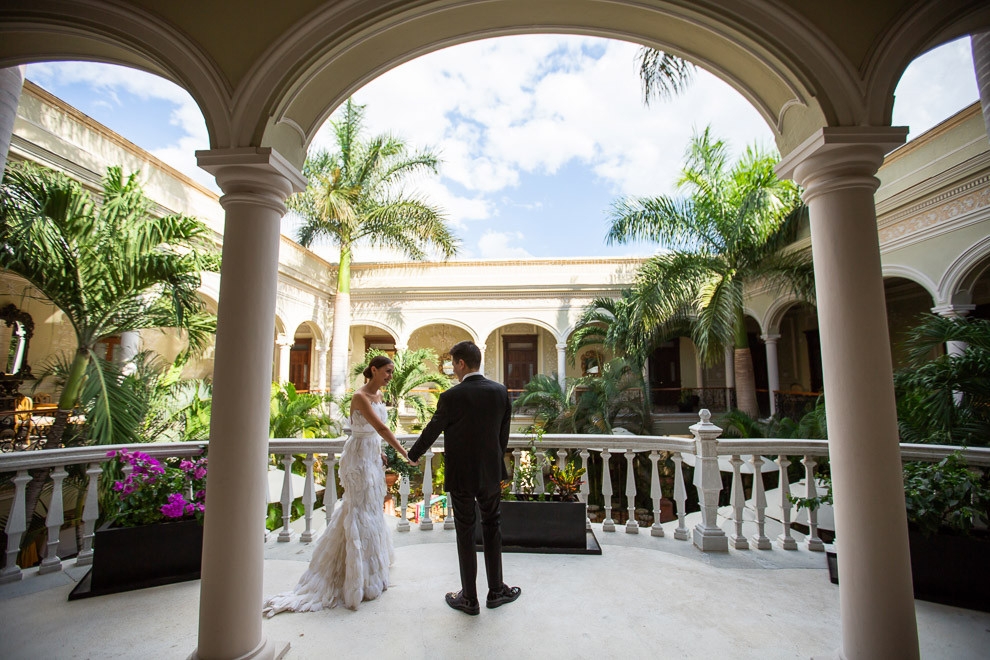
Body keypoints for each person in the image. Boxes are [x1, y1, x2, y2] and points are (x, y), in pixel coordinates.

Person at [263, 355, 411, 616]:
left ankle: (370, 571)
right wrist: (404, 454)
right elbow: (381, 428)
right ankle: (353, 576)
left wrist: (380, 453)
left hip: (372, 457)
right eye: (386, 371)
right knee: (357, 510)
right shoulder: (360, 397)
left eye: (391, 372)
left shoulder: (378, 398)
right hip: (357, 460)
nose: (390, 376)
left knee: (372, 509)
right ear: (373, 370)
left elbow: (375, 435)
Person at [407, 340, 521, 615]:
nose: (452, 370)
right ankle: (496, 591)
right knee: (493, 527)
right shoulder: (500, 392)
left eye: (452, 364)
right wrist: (495, 460)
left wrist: (411, 456)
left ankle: (469, 598)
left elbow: (431, 432)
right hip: (491, 472)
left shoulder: (451, 397)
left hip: (461, 475)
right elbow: (501, 437)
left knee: (465, 532)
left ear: (461, 363)